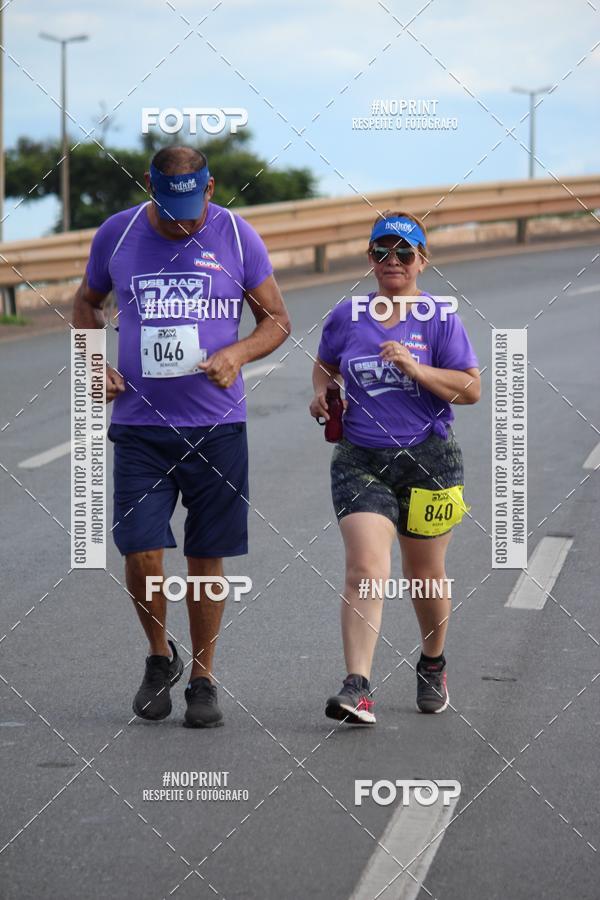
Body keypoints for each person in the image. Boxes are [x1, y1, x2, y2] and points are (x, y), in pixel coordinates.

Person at [73, 146, 291, 728]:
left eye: (191, 209)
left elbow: (277, 320)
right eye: (170, 209)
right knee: (140, 549)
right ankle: (158, 656)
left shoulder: (237, 236)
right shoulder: (117, 235)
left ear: (210, 188)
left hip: (217, 427)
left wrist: (237, 354)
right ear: (150, 187)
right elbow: (86, 304)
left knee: (204, 557)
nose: (182, 222)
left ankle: (203, 677)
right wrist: (94, 363)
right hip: (140, 429)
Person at [309, 210, 480, 724]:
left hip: (430, 459)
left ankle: (432, 662)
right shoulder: (348, 315)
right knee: (365, 569)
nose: (394, 260)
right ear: (370, 259)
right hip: (360, 458)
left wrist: (414, 367)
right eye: (382, 251)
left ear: (422, 260)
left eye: (405, 252)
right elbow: (324, 364)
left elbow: (470, 388)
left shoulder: (439, 319)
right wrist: (323, 394)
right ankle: (357, 686)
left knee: (424, 576)